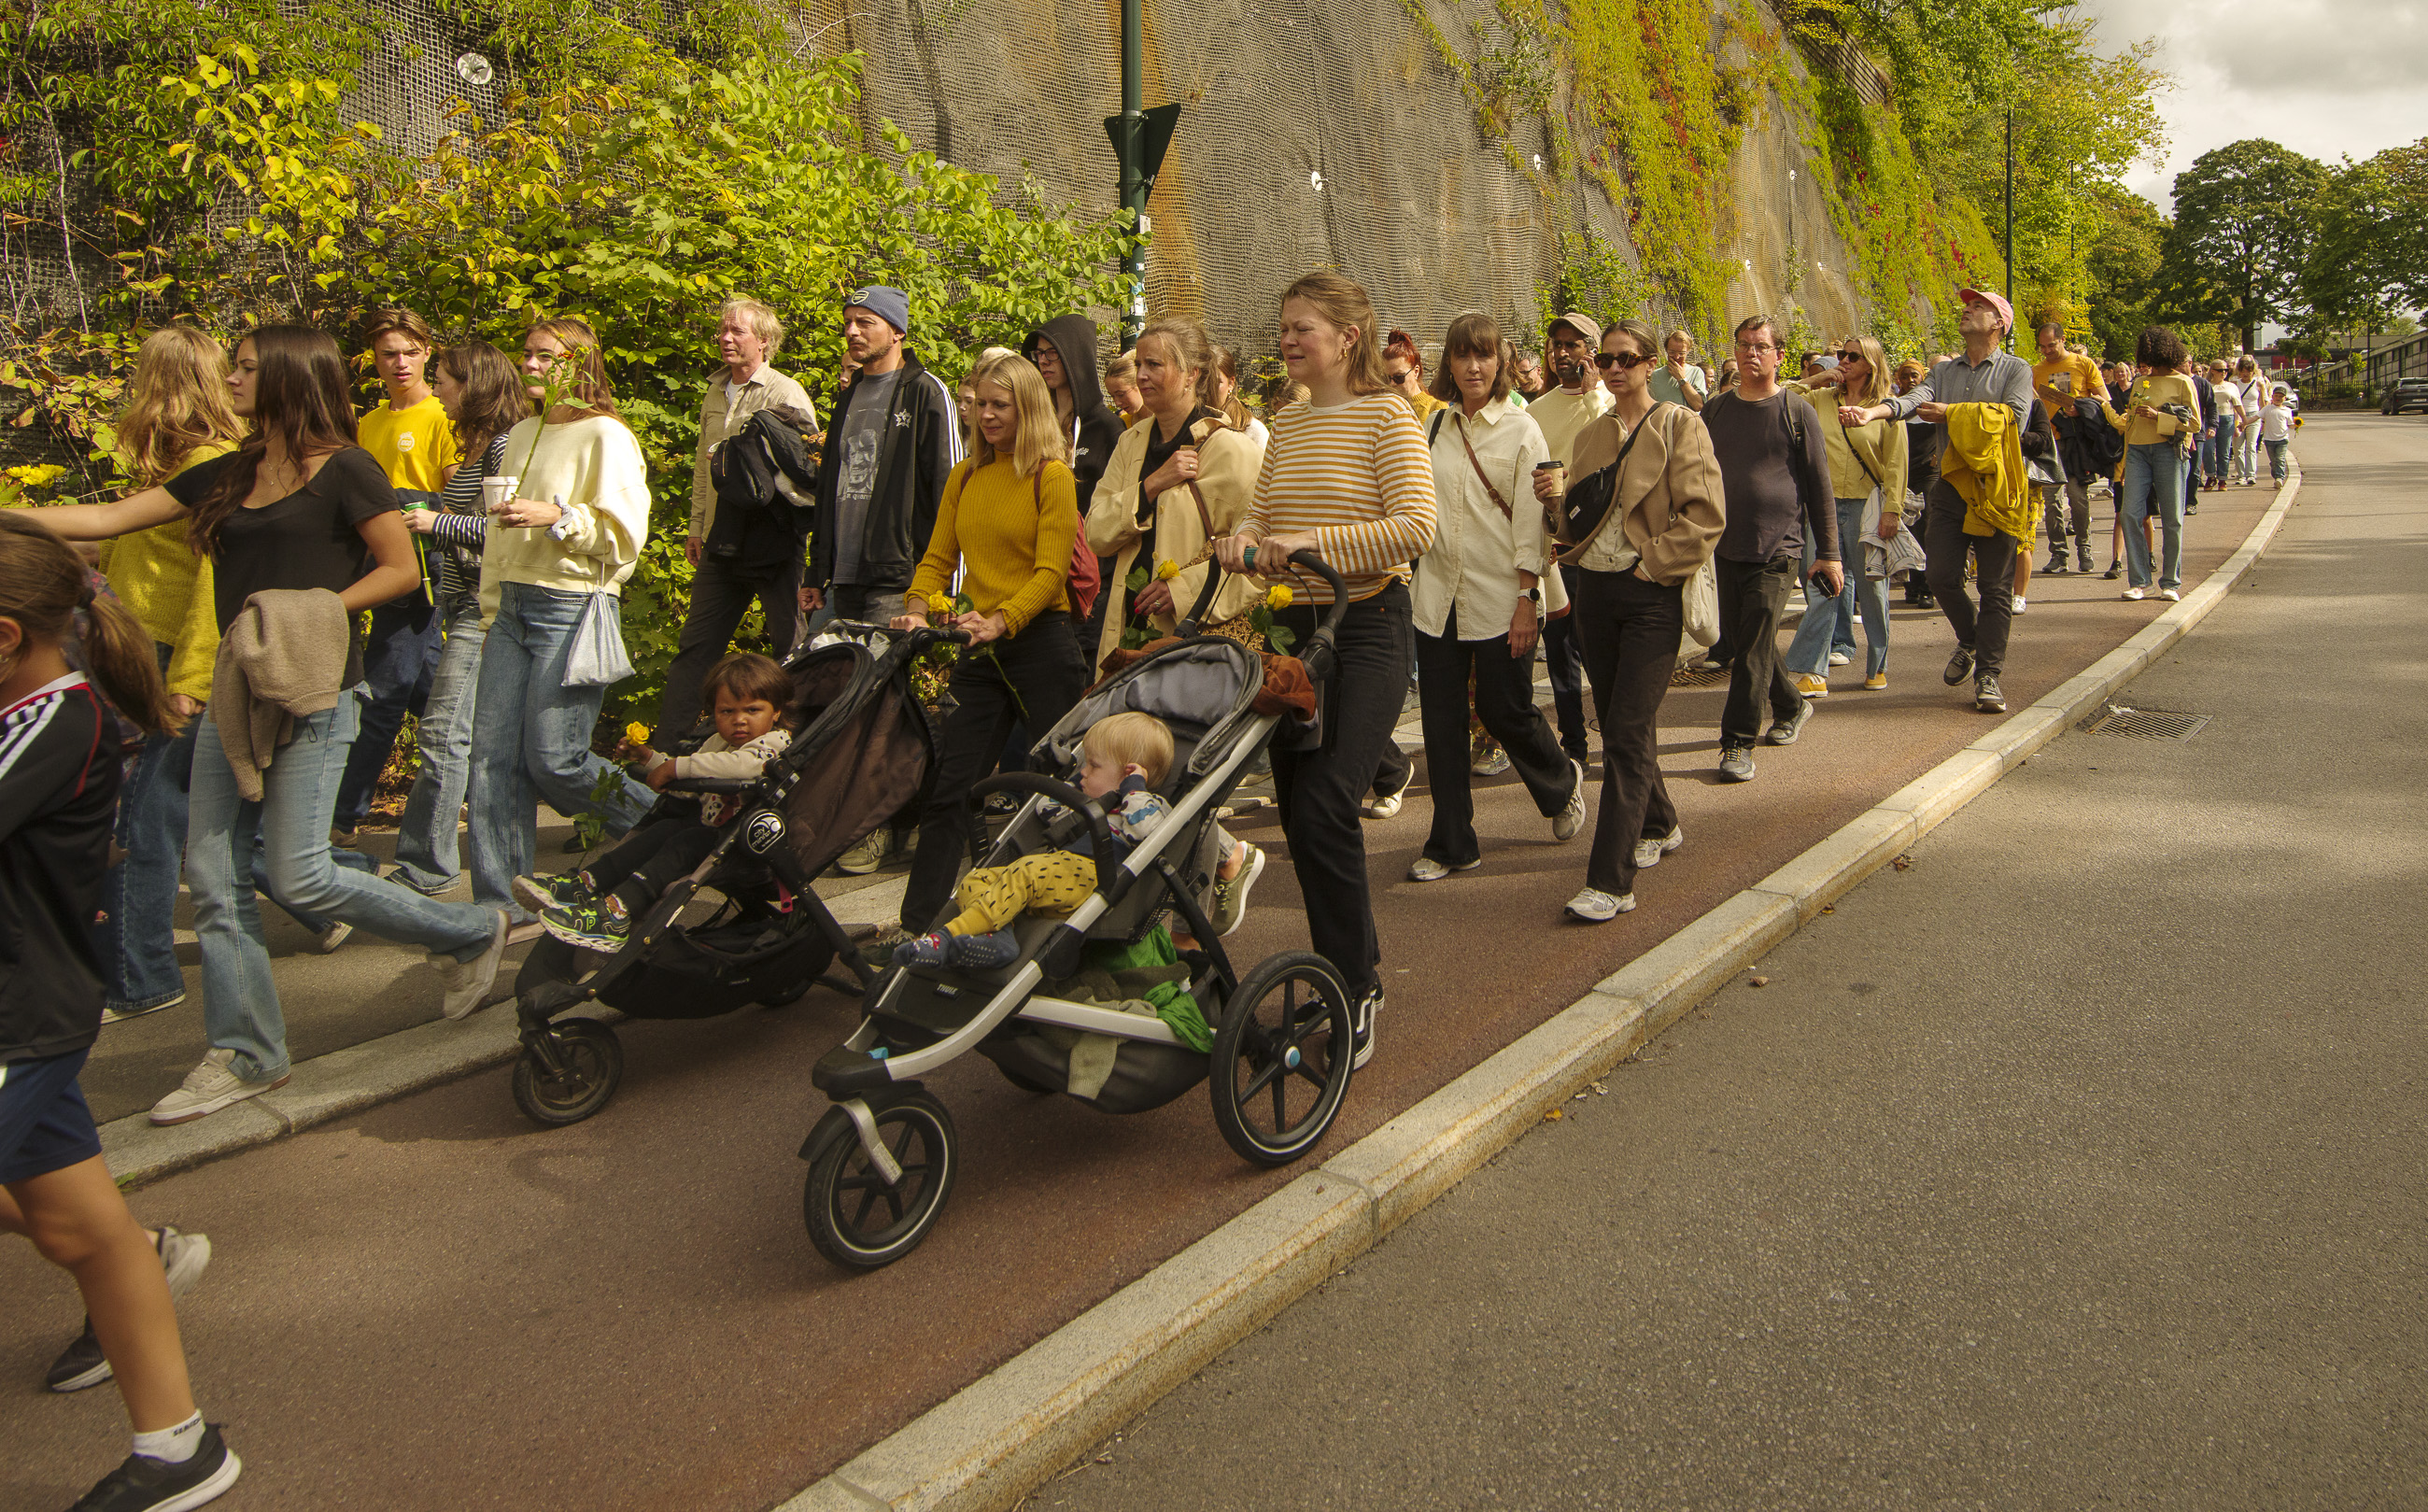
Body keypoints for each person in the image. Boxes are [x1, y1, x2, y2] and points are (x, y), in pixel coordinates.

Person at [35, 327, 513, 1123]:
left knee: (300, 877)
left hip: (319, 691)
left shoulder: (349, 470)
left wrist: (312, 611)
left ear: (290, 376)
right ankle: (248, 1052)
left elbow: (401, 570)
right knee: (212, 873)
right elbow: (110, 518)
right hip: (237, 691)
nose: (231, 379)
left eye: (247, 368)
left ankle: (466, 932)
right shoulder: (231, 469)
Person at [0, 514, 246, 1511]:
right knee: (95, 1235)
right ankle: (177, 1446)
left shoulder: (59, 719)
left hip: (19, 1021)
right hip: (30, 1019)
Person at [1214, 269, 1437, 1068]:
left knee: (1326, 804)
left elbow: (1415, 526)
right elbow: (1261, 515)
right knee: (1301, 815)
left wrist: (1313, 544)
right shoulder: (1289, 421)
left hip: (1368, 626)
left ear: (1348, 337)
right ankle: (1345, 970)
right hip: (1295, 630)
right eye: (1283, 326)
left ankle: (1355, 985)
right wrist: (1240, 541)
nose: (1286, 338)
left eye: (1300, 326)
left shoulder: (1389, 415)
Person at [463, 317, 660, 920]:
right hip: (512, 607)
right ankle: (503, 907)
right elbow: (498, 535)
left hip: (570, 606)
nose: (530, 364)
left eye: (546, 356)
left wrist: (558, 516)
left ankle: (672, 830)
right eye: (527, 353)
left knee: (557, 760)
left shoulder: (606, 435)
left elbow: (625, 539)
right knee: (491, 760)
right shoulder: (521, 433)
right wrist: (490, 610)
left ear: (580, 363)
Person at [892, 351, 1090, 933]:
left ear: (1028, 409)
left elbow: (1051, 573)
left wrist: (1004, 619)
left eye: (999, 405)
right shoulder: (965, 476)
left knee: (1059, 790)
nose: (985, 416)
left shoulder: (1053, 477)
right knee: (951, 788)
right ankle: (917, 930)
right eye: (980, 405)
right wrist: (916, 609)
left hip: (1041, 643)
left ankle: (1067, 920)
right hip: (981, 646)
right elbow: (936, 559)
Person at [1080, 317, 1266, 930]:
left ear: (1193, 374)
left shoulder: (1232, 449)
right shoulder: (1133, 443)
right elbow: (1097, 532)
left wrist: (1182, 587)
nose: (1141, 375)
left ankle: (1198, 888)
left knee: (1176, 768)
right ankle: (1214, 867)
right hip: (1130, 632)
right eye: (1138, 363)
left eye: (1154, 363)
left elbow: (1258, 550)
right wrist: (1153, 485)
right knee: (1126, 763)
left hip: (1197, 635)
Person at [87, 327, 243, 1023]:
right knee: (159, 811)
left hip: (170, 661)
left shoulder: (213, 464)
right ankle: (323, 903)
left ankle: (143, 978)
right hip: (136, 654)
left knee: (145, 816)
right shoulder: (172, 465)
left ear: (166, 384)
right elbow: (124, 541)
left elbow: (215, 582)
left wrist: (191, 679)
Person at [1550, 318, 1724, 921]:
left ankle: (1611, 881)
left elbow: (1706, 515)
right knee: (1623, 723)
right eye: (1606, 359)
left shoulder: (1680, 424)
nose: (1614, 368)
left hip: (1650, 593)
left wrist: (1653, 566)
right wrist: (1556, 506)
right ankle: (1660, 821)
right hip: (1594, 593)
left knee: (1624, 732)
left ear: (1651, 364)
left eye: (1626, 358)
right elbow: (1579, 516)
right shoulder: (1592, 434)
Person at [1408, 312, 1585, 883]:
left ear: (1500, 362)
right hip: (1436, 596)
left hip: (1502, 594)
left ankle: (1560, 780)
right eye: (1462, 355)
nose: (1473, 366)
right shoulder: (1433, 426)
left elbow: (1532, 522)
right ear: (1449, 363)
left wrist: (1528, 597)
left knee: (1504, 708)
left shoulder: (1522, 429)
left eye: (1483, 355)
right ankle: (1452, 841)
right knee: (1441, 723)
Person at [1844, 287, 2035, 714]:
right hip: (1951, 487)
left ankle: (1988, 675)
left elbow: (2015, 420)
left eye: (1979, 307)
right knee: (1941, 576)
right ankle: (1971, 639)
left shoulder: (2017, 369)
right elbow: (1914, 400)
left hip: (1998, 488)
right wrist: (1873, 412)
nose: (1967, 310)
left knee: (1994, 587)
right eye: (1967, 305)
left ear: (1999, 325)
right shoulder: (1944, 371)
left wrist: (1952, 413)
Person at [524, 653, 795, 949]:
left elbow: (742, 767)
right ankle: (585, 884)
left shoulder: (775, 743)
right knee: (662, 830)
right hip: (714, 836)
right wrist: (650, 759)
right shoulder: (719, 742)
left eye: (753, 710)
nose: (739, 720)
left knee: (684, 842)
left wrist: (678, 767)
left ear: (776, 711)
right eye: (726, 711)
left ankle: (617, 913)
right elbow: (688, 786)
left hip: (749, 847)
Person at [387, 340, 527, 896]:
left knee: (444, 733)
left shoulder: (503, 447)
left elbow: (507, 530)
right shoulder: (473, 446)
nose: (437, 388)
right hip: (461, 604)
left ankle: (426, 868)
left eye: (444, 378)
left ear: (473, 385)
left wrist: (434, 524)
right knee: (493, 741)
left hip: (485, 609)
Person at [648, 299, 816, 748]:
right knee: (696, 648)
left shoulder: (785, 392)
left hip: (775, 542)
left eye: (737, 331)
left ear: (764, 341)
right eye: (723, 330)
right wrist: (696, 527)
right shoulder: (715, 390)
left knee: (791, 650)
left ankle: (797, 752)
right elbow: (703, 471)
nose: (725, 338)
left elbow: (808, 473)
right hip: (721, 540)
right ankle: (666, 757)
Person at [892, 711, 1173, 970]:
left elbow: (1148, 832)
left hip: (1095, 879)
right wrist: (1076, 782)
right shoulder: (1085, 804)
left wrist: (1133, 788)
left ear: (1128, 774)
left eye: (1094, 765)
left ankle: (945, 937)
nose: (1085, 771)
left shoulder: (1148, 805)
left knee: (1026, 870)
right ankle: (999, 936)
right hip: (1056, 873)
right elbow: (1045, 808)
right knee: (975, 879)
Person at [331, 307, 455, 848]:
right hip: (379, 563)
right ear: (374, 360)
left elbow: (457, 498)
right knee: (430, 691)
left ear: (427, 352)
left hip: (425, 567)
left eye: (410, 352)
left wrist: (417, 509)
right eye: (389, 354)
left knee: (383, 688)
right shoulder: (369, 424)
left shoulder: (442, 415)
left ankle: (342, 817)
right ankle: (500, 773)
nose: (400, 363)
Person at [1701, 314, 1838, 781]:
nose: (1751, 354)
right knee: (1747, 643)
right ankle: (1792, 705)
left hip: (1779, 549)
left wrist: (1830, 555)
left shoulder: (1796, 412)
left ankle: (1737, 742)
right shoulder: (1715, 411)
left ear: (1779, 355)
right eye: (1744, 345)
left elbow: (1820, 487)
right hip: (1724, 547)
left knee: (1751, 647)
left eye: (1760, 346)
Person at [1782, 335, 1906, 692]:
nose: (1844, 361)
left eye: (1853, 356)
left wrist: (1892, 512)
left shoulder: (1885, 408)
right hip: (1824, 506)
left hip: (1867, 508)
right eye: (1841, 354)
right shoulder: (1821, 399)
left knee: (1872, 591)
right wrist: (1815, 379)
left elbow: (1896, 464)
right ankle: (1814, 672)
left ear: (1871, 365)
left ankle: (1877, 665)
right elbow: (1780, 397)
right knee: (1820, 584)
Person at [1525, 311, 1615, 765]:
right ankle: (1573, 743)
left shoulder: (1610, 403)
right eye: (1556, 345)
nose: (1561, 353)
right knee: (1560, 651)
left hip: (1599, 546)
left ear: (1592, 352)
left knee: (1602, 650)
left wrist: (1596, 393)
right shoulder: (1535, 411)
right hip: (1555, 548)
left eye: (1572, 345)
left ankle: (1617, 737)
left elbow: (1614, 449)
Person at [1027, 316, 1126, 653]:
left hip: (1092, 577)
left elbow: (1116, 505)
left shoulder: (1107, 428)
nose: (1043, 361)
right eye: (1038, 354)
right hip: (1042, 572)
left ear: (1075, 356)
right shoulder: (1037, 426)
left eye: (1052, 353)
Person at [2102, 325, 2200, 603]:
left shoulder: (2183, 382)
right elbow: (2131, 424)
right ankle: (2139, 582)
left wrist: (2158, 416)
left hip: (2168, 451)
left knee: (2172, 518)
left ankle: (2170, 582)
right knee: (2130, 514)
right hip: (2137, 452)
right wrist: (2125, 460)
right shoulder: (2139, 382)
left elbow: (2194, 424)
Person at [2030, 320, 2102, 574]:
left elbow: (2104, 399)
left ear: (2063, 340)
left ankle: (2085, 548)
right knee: (2052, 502)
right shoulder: (2036, 370)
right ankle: (2059, 554)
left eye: (2051, 345)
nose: (2047, 351)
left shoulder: (2084, 364)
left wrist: (2079, 407)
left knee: (2078, 498)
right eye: (2042, 347)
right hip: (2049, 443)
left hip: (2076, 443)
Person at [1892, 358, 1941, 608]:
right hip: (1902, 475)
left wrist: (1939, 454)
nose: (1910, 380)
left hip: (1928, 474)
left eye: (1915, 376)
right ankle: (1911, 586)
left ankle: (1927, 588)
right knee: (1906, 530)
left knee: (1926, 528)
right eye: (1905, 376)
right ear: (1898, 380)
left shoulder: (1933, 406)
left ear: (1923, 377)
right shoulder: (1894, 407)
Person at [1383, 329, 1447, 426]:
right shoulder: (1385, 409)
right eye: (1386, 379)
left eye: (1398, 378)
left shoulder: (1436, 408)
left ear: (1416, 372)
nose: (1391, 384)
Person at [1647, 328, 1710, 412]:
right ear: (1666, 350)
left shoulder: (1696, 373)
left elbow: (1699, 406)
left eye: (1681, 353)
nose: (1677, 357)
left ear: (1688, 351)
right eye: (1672, 352)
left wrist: (1681, 379)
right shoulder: (1654, 376)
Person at [2230, 357, 2268, 486]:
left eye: (2249, 371)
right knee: (2238, 448)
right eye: (2243, 371)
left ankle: (2251, 475)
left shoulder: (2259, 383)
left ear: (2253, 371)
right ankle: (2241, 475)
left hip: (2254, 416)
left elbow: (2262, 403)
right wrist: (2236, 419)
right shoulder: (2235, 384)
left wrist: (2263, 420)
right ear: (2239, 371)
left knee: (2251, 446)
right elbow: (2232, 402)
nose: (2246, 374)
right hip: (2238, 416)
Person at [2258, 389, 2294, 482]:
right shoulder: (2267, 408)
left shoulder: (2287, 410)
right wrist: (2245, 422)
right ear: (2272, 397)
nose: (2278, 398)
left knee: (2280, 459)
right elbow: (2256, 417)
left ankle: (2279, 478)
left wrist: (2297, 425)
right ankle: (2276, 474)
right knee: (2274, 461)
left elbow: (2290, 424)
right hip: (2269, 439)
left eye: (2281, 396)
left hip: (2282, 439)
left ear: (2285, 398)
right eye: (2276, 396)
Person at [1102, 350, 1144, 418]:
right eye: (1112, 396)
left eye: (1120, 394)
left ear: (1139, 384)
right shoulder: (1121, 421)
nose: (1117, 403)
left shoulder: (1161, 420)